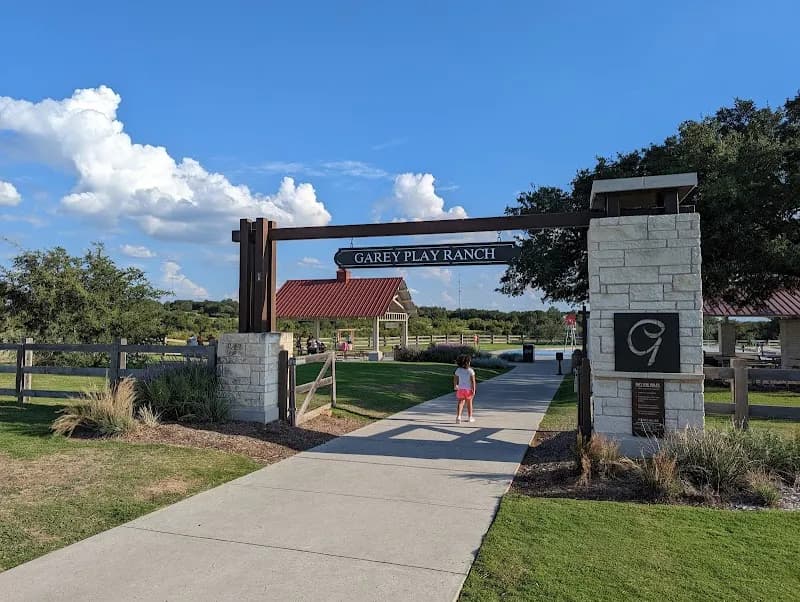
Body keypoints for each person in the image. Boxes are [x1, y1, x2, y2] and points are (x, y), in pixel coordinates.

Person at [453, 354, 477, 424]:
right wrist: (474, 389)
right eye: (469, 361)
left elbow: (455, 379)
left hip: (460, 389)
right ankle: (470, 417)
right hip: (468, 390)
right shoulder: (470, 371)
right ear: (467, 362)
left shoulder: (458, 370)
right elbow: (473, 381)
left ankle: (458, 417)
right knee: (469, 403)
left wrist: (455, 385)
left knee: (460, 403)